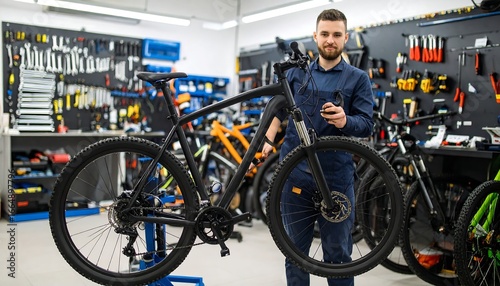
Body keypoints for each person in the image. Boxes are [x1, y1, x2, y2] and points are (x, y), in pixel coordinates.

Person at [260, 9, 374, 286]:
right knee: (295, 254)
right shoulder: (298, 74)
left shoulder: (358, 78)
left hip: (336, 178)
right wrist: (266, 139)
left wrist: (346, 119)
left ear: (346, 38)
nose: (330, 40)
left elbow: (366, 124)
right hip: (295, 175)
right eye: (325, 34)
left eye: (336, 35)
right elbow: (277, 108)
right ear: (315, 37)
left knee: (338, 256)